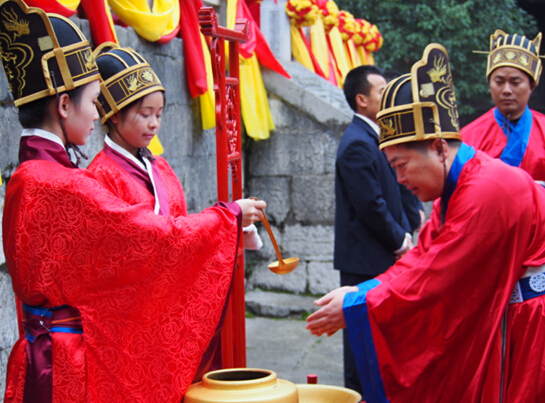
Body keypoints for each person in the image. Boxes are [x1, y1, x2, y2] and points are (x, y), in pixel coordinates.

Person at [0, 1, 265, 402]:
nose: (96, 116)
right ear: (64, 104)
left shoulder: (27, 176)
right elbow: (155, 238)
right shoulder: (68, 185)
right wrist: (227, 218)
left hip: (41, 352)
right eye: (92, 103)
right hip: (69, 364)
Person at [307, 43, 545, 403]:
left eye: (401, 165)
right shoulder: (457, 184)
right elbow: (422, 257)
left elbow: (437, 274)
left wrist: (360, 303)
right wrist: (362, 291)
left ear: (437, 147)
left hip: (528, 318)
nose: (399, 179)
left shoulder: (486, 189)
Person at [86, 43, 262, 380]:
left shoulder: (161, 167)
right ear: (113, 115)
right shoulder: (101, 176)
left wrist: (231, 226)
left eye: (160, 113)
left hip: (169, 303)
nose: (154, 124)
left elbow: (179, 227)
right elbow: (145, 242)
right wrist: (224, 219)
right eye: (144, 113)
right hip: (133, 316)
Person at [334, 65, 418, 396]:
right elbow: (370, 204)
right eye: (381, 90)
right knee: (361, 339)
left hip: (383, 252)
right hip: (366, 258)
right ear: (362, 100)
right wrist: (401, 240)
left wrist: (413, 222)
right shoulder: (356, 143)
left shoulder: (377, 136)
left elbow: (397, 191)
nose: (388, 95)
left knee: (380, 335)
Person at [461, 30, 545, 182]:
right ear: (489, 86)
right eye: (499, 82)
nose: (506, 90)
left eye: (515, 82)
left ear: (531, 86)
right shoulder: (467, 138)